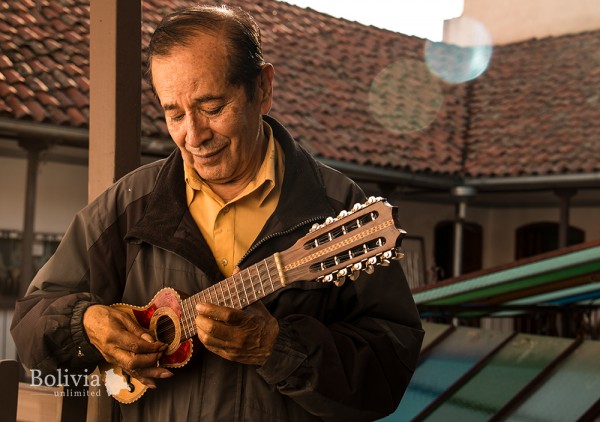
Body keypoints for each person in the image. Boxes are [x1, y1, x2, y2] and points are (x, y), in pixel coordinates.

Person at [11, 4, 423, 421]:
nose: (193, 135)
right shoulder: (128, 204)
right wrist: (87, 323)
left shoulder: (335, 208)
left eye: (212, 108)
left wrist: (278, 348)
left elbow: (389, 372)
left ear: (262, 88)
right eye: (174, 113)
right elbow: (30, 325)